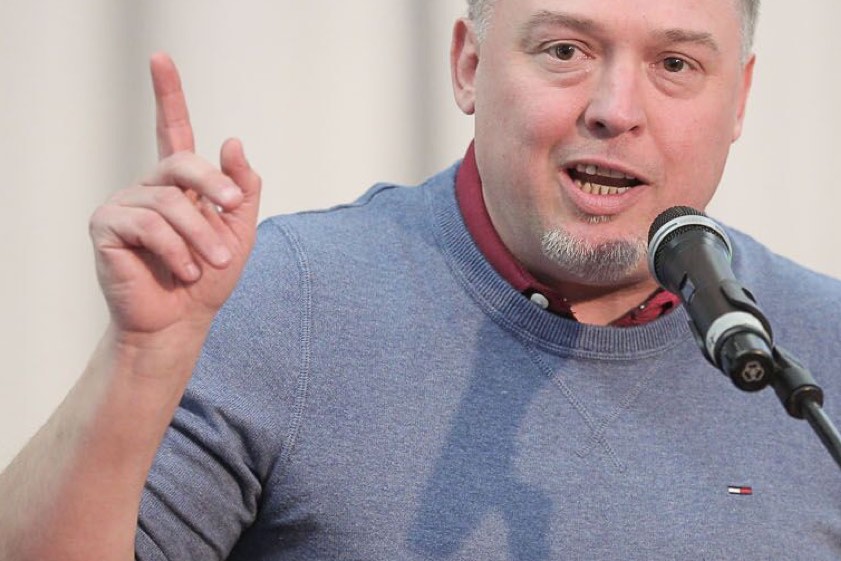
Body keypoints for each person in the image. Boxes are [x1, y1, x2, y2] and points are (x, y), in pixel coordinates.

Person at [2, 0, 841, 559]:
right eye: (564, 50)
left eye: (676, 65)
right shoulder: (283, 298)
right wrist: (140, 359)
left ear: (739, 99)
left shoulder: (826, 347)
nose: (616, 109)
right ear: (469, 65)